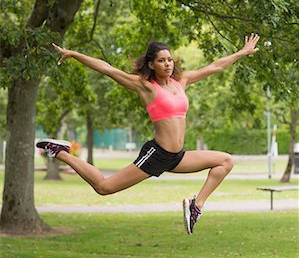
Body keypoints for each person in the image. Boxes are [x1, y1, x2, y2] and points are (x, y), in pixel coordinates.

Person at [37, 34, 260, 234]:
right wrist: (74, 54)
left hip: (177, 157)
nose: (167, 64)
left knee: (225, 162)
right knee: (104, 187)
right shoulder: (145, 86)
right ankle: (60, 152)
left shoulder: (181, 82)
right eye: (162, 60)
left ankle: (196, 206)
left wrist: (242, 52)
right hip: (157, 153)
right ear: (152, 64)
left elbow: (215, 66)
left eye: (170, 59)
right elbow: (107, 69)